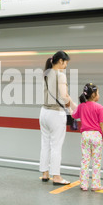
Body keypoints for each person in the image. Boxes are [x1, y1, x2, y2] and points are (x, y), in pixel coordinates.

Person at [39, 51, 77, 185]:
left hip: (44, 112)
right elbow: (64, 95)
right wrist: (72, 107)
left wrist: (72, 105)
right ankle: (56, 176)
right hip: (56, 113)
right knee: (56, 146)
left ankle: (45, 173)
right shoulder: (60, 75)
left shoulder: (46, 73)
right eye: (66, 62)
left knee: (45, 144)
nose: (66, 65)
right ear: (61, 61)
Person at [72, 83, 103, 191]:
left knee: (85, 160)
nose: (99, 94)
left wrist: (71, 106)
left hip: (85, 135)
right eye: (98, 92)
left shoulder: (81, 106)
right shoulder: (99, 107)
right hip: (96, 135)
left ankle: (83, 184)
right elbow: (102, 124)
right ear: (93, 95)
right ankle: (95, 185)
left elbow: (74, 115)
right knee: (96, 161)